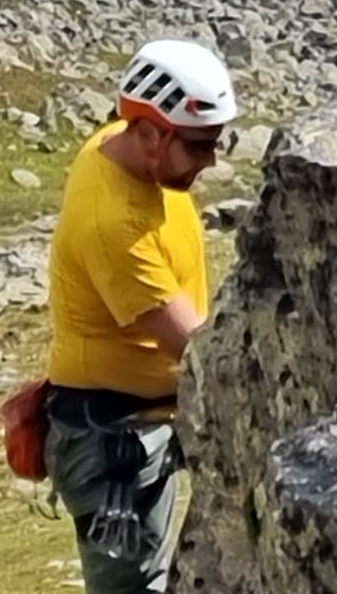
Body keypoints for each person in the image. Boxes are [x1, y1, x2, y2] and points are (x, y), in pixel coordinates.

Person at [43, 37, 238, 594]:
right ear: (151, 133)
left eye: (217, 142)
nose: (210, 160)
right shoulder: (116, 228)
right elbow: (196, 348)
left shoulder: (116, 145)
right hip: (114, 444)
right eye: (199, 146)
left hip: (136, 424)